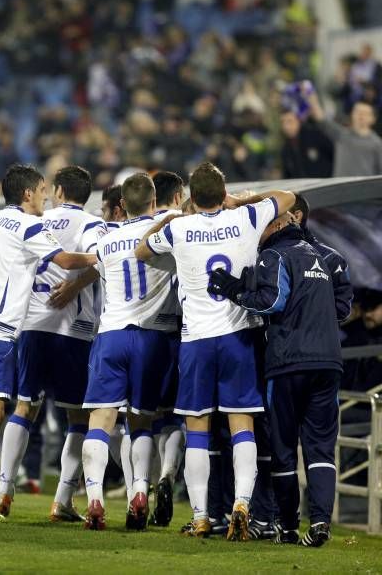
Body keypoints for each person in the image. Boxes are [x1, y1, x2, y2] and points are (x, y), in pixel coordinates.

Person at [136, 162, 295, 540]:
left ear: (192, 195)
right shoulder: (246, 218)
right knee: (242, 426)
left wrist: (172, 217)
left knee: (198, 430)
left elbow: (143, 250)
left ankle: (202, 515)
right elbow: (287, 198)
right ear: (223, 192)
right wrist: (241, 200)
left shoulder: (179, 227)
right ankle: (242, 501)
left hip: (196, 340)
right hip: (239, 336)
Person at [0, 163, 97, 523]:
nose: (45, 194)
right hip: (13, 328)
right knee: (2, 410)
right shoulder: (51, 224)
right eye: (40, 188)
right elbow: (65, 259)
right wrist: (105, 255)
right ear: (29, 193)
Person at [208, 214, 347, 547]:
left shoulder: (275, 254)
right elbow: (341, 306)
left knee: (283, 449)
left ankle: (286, 526)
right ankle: (320, 523)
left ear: (277, 225)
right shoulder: (324, 257)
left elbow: (272, 301)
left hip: (288, 363)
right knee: (321, 449)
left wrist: (231, 289)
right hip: (328, 363)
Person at [0, 165, 104, 523]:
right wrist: (74, 286)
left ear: (58, 191)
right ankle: (62, 501)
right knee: (78, 417)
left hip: (32, 324)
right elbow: (101, 261)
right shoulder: (91, 224)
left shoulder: (37, 220)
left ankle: (3, 490)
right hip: (73, 329)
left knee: (24, 407)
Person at [80, 173, 178, 531]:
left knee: (100, 423)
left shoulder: (107, 241)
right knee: (142, 423)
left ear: (122, 205)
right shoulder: (167, 232)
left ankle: (94, 498)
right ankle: (139, 491)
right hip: (151, 338)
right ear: (155, 200)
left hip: (111, 335)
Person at [146, 170, 186, 528]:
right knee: (175, 416)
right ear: (177, 197)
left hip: (142, 332)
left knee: (145, 417)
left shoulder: (141, 230)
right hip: (178, 332)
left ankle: (141, 486)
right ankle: (168, 475)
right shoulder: (183, 224)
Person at [289, 194, 352, 321]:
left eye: (275, 215)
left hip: (314, 339)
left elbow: (342, 309)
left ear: (296, 216)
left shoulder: (330, 258)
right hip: (277, 340)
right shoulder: (264, 255)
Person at [309, 92, 382, 176]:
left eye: (365, 113)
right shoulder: (341, 134)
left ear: (373, 119)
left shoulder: (377, 143)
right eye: (357, 112)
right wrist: (311, 96)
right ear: (352, 115)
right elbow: (321, 118)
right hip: (340, 187)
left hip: (364, 188)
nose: (361, 116)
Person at [279, 110, 334, 179]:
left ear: (299, 121)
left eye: (290, 121)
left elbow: (333, 154)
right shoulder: (285, 150)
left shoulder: (315, 136)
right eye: (283, 122)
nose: (286, 127)